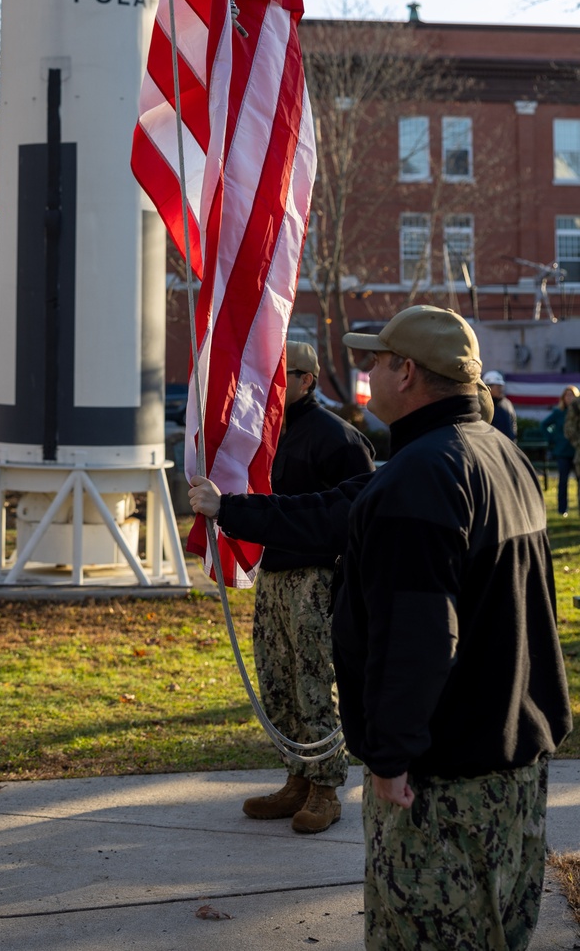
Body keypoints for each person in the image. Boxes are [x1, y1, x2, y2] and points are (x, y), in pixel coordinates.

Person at [189, 305, 570, 951]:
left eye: (374, 361)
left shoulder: (422, 477)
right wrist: (232, 511)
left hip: (443, 781)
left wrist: (390, 757)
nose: (364, 373)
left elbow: (418, 636)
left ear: (407, 371)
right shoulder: (498, 455)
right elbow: (335, 514)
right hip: (515, 762)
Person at [243, 341, 374, 834]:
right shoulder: (264, 435)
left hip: (317, 579)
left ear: (307, 380)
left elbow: (357, 517)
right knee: (277, 683)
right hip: (273, 574)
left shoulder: (338, 438)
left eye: (285, 375)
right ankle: (296, 777)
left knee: (314, 683)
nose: (274, 385)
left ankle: (326, 789)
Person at [542, 386, 580, 517]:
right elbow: (544, 424)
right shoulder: (559, 412)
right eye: (567, 396)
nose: (570, 398)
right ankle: (562, 509)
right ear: (563, 398)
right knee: (563, 481)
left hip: (576, 451)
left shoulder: (577, 411)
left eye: (572, 396)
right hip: (563, 452)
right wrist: (553, 438)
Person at [483, 368, 517, 441]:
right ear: (488, 387)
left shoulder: (507, 404)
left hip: (508, 446)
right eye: (498, 387)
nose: (501, 389)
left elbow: (513, 423)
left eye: (501, 386)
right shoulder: (482, 405)